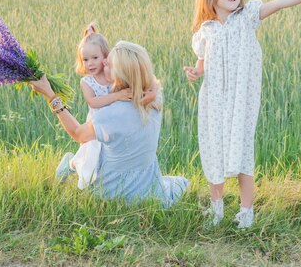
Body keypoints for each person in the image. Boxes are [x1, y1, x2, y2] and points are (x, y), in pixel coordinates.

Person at [183, 0, 301, 228]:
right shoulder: (205, 31)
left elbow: (280, 2)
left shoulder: (247, 16)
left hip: (242, 99)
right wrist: (196, 72)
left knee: (242, 151)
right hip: (214, 100)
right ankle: (216, 209)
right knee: (213, 149)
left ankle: (246, 212)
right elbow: (202, 61)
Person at [31, 41, 188, 208]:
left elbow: (78, 134)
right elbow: (153, 82)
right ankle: (75, 162)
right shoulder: (154, 98)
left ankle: (73, 162)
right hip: (148, 187)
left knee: (91, 149)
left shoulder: (112, 114)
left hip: (111, 191)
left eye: (109, 64)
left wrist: (50, 95)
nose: (103, 62)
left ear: (119, 75)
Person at [55, 23, 132, 189]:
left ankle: (105, 183)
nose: (90, 63)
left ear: (106, 57)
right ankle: (71, 163)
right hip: (96, 123)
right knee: (91, 156)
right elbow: (93, 102)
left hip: (113, 122)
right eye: (85, 59)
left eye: (95, 58)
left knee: (108, 156)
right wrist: (117, 96)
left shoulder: (111, 74)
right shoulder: (87, 82)